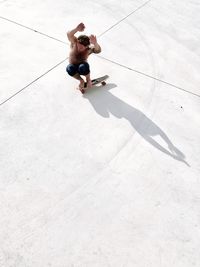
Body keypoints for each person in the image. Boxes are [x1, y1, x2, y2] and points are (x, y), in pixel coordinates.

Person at [66, 23, 102, 92]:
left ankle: (88, 79)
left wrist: (95, 43)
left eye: (82, 48)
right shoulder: (74, 42)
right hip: (73, 66)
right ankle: (81, 81)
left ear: (86, 47)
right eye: (78, 45)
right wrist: (76, 29)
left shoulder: (88, 49)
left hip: (83, 67)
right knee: (69, 68)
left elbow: (98, 50)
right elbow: (69, 34)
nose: (79, 48)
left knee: (83, 66)